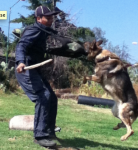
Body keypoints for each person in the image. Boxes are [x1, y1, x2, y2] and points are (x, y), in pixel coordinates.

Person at [15, 5, 87, 147]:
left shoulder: (44, 31)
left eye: (52, 17)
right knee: (43, 96)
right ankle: (40, 136)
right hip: (26, 69)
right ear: (39, 19)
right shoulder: (34, 30)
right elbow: (21, 45)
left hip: (35, 69)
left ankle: (48, 131)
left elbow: (61, 46)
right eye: (47, 17)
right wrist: (20, 62)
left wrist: (83, 52)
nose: (51, 19)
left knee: (52, 98)